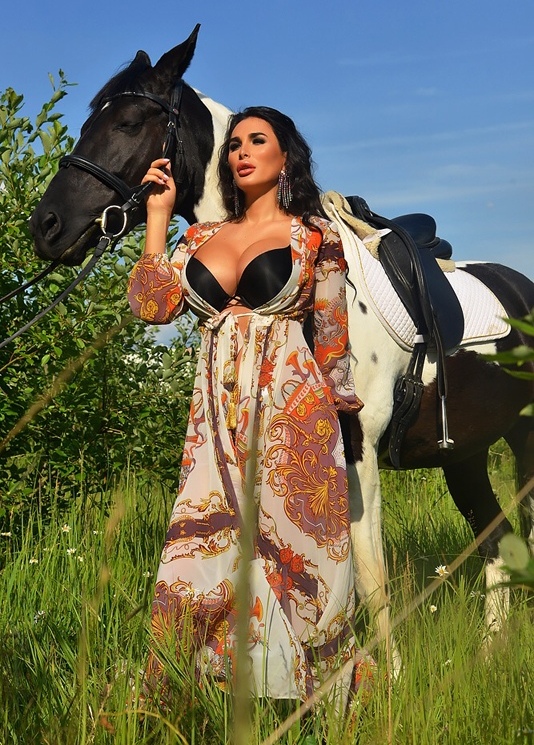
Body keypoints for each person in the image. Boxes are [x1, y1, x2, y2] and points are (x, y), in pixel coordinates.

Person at [127, 106, 365, 702]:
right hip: (214, 418)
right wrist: (157, 217)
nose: (241, 151)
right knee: (201, 546)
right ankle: (186, 691)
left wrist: (342, 419)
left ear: (287, 157)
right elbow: (153, 308)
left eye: (257, 140)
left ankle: (326, 697)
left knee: (300, 553)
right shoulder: (200, 237)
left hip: (292, 414)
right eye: (234, 144)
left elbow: (331, 338)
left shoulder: (314, 235)